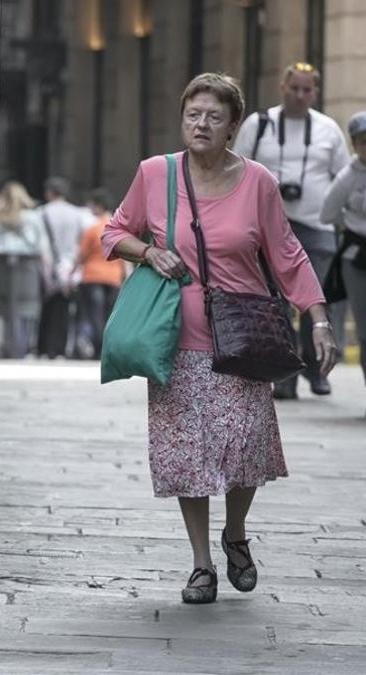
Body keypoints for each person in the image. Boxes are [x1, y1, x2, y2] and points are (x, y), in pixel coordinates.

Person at [102, 73, 336, 604]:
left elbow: (287, 254)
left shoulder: (257, 183)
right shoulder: (154, 174)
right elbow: (113, 233)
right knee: (187, 456)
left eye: (213, 116)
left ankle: (235, 531)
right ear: (182, 119)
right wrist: (148, 252)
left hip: (243, 338)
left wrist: (318, 319)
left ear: (233, 126)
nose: (200, 124)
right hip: (175, 337)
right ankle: (201, 565)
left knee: (244, 449)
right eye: (193, 114)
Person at [232, 62, 351, 399]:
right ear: (282, 87)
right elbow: (236, 169)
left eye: (307, 89)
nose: (301, 95)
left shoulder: (328, 129)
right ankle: (285, 376)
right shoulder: (259, 125)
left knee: (315, 301)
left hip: (318, 226)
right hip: (269, 227)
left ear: (316, 92)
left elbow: (344, 177)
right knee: (278, 303)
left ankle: (318, 371)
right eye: (295, 88)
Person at [320, 111, 366, 417]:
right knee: (365, 331)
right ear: (354, 143)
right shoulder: (348, 177)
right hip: (357, 259)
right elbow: (327, 213)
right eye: (364, 141)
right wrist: (352, 225)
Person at [36, 177, 90, 359]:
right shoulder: (78, 214)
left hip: (50, 265)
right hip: (71, 265)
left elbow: (41, 243)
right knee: (66, 309)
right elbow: (83, 240)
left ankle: (45, 347)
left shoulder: (42, 213)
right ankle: (61, 348)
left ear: (50, 192)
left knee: (47, 308)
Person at [0, 180, 48, 359]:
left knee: (3, 308)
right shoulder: (32, 216)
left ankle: (3, 346)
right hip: (27, 264)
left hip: (1, 263)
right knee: (28, 308)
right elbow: (39, 244)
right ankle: (24, 346)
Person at [72, 188, 125, 359]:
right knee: (110, 315)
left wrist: (71, 272)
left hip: (92, 276)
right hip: (113, 277)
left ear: (99, 206)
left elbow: (81, 255)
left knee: (94, 315)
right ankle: (108, 350)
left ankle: (98, 350)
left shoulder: (92, 229)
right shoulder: (119, 229)